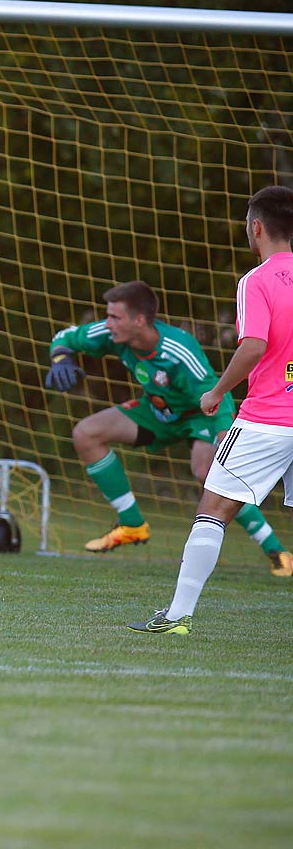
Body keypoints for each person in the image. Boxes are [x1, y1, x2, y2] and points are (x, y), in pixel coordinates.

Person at [131, 186, 293, 633]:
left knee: (213, 510)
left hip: (268, 419)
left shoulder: (256, 281)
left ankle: (178, 617)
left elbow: (255, 345)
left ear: (255, 227)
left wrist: (218, 391)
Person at [45, 280, 291, 573]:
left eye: (115, 317)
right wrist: (60, 358)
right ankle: (132, 524)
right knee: (86, 434)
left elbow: (217, 396)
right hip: (157, 411)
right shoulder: (112, 334)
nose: (107, 324)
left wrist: (225, 438)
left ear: (139, 320)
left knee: (210, 474)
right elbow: (65, 338)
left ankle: (277, 552)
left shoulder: (179, 350)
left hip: (202, 414)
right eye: (107, 316)